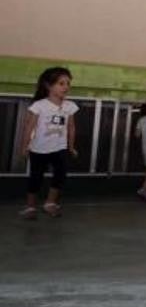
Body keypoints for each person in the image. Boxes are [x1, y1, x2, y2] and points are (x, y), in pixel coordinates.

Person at [19, 67, 79, 219]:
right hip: (39, 149)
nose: (66, 87)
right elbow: (29, 127)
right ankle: (30, 206)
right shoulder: (39, 105)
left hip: (59, 148)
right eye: (61, 83)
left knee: (60, 174)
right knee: (36, 177)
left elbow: (71, 127)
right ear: (48, 86)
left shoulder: (69, 106)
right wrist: (24, 146)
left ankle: (50, 203)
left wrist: (71, 146)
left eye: (68, 83)